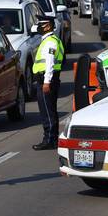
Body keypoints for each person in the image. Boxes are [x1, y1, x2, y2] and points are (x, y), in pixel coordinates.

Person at [32, 15, 64, 150]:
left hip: (47, 80)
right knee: (49, 110)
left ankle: (49, 139)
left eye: (42, 24)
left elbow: (50, 63)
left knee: (47, 112)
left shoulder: (50, 42)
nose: (39, 27)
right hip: (46, 80)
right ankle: (52, 138)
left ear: (49, 26)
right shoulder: (48, 40)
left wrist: (46, 82)